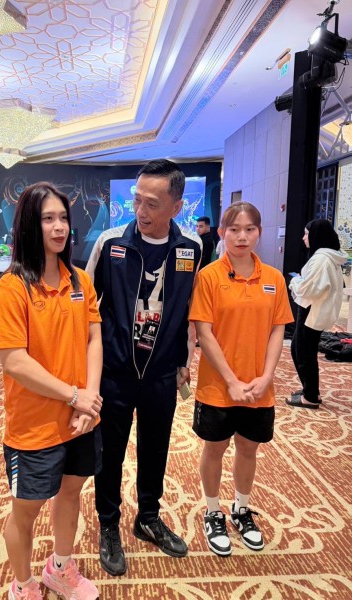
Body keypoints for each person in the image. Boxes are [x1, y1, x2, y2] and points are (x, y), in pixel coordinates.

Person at [85, 159, 202, 576]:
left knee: (156, 448)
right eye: (137, 200)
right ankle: (109, 524)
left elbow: (189, 310)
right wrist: (86, 372)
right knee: (109, 454)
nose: (141, 210)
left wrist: (185, 360)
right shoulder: (111, 243)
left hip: (161, 374)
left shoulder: (191, 249)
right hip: (115, 372)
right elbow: (86, 309)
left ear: (176, 206)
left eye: (152, 203)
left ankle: (148, 517)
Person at [0, 182, 103, 600]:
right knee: (26, 511)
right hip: (34, 426)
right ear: (27, 226)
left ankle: (59, 568)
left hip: (80, 419)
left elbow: (94, 339)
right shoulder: (11, 288)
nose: (59, 227)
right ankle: (23, 585)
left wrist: (89, 402)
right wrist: (75, 396)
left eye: (63, 218)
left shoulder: (80, 280)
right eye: (48, 219)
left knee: (71, 493)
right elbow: (15, 362)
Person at [189, 201, 293, 557]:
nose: (242, 236)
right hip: (218, 386)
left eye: (249, 229)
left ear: (259, 232)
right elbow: (204, 333)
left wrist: (266, 377)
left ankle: (241, 508)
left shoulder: (274, 279)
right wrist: (232, 381)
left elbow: (278, 330)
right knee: (214, 449)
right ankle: (213, 510)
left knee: (249, 448)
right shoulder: (209, 277)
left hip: (259, 387)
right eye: (234, 229)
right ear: (222, 233)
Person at [286, 219, 347, 409]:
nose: (304, 238)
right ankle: (310, 390)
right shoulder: (329, 256)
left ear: (316, 236)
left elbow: (309, 289)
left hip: (311, 309)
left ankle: (310, 396)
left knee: (303, 351)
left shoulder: (321, 258)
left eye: (307, 234)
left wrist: (295, 281)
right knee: (302, 349)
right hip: (315, 309)